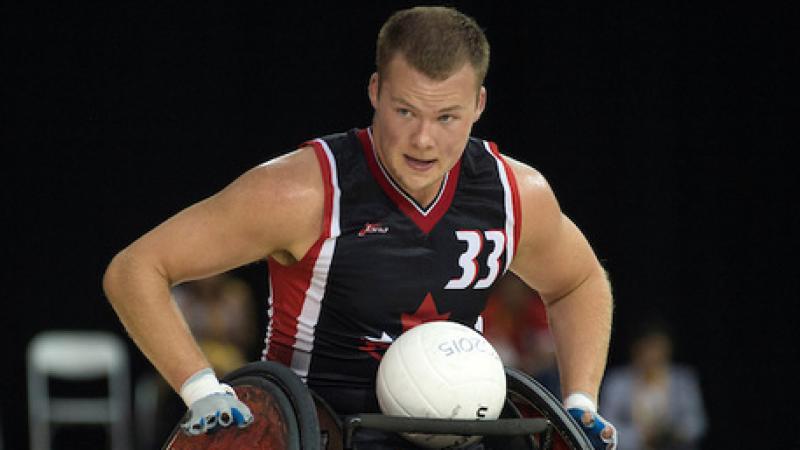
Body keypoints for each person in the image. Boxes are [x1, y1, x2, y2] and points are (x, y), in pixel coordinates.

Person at [103, 6, 617, 449]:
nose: (422, 140)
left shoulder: (514, 192)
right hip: (318, 428)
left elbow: (578, 282)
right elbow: (136, 268)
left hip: (459, 430)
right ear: (375, 91)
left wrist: (579, 397)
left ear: (479, 105)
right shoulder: (303, 190)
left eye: (447, 117)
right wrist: (200, 387)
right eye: (405, 110)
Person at [601, 320, 707, 450]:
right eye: (648, 348)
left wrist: (671, 433)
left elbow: (696, 424)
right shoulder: (617, 382)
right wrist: (641, 436)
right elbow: (606, 426)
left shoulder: (683, 381)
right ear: (636, 349)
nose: (653, 355)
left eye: (658, 348)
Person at [483, 271, 561, 399]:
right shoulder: (490, 309)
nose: (513, 290)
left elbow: (550, 349)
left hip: (536, 372)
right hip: (500, 372)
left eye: (518, 284)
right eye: (509, 284)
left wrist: (531, 362)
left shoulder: (537, 309)